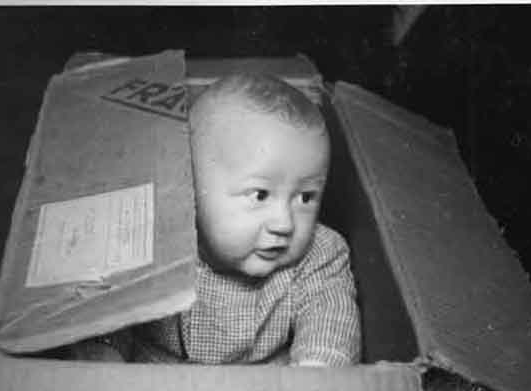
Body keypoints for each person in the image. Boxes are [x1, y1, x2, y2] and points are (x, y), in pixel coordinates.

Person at [109, 73, 361, 367]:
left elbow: (331, 315)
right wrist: (102, 359)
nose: (284, 224)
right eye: (260, 195)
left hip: (269, 384)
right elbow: (106, 311)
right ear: (189, 188)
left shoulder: (319, 256)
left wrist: (316, 369)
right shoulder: (152, 242)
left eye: (305, 197)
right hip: (155, 380)